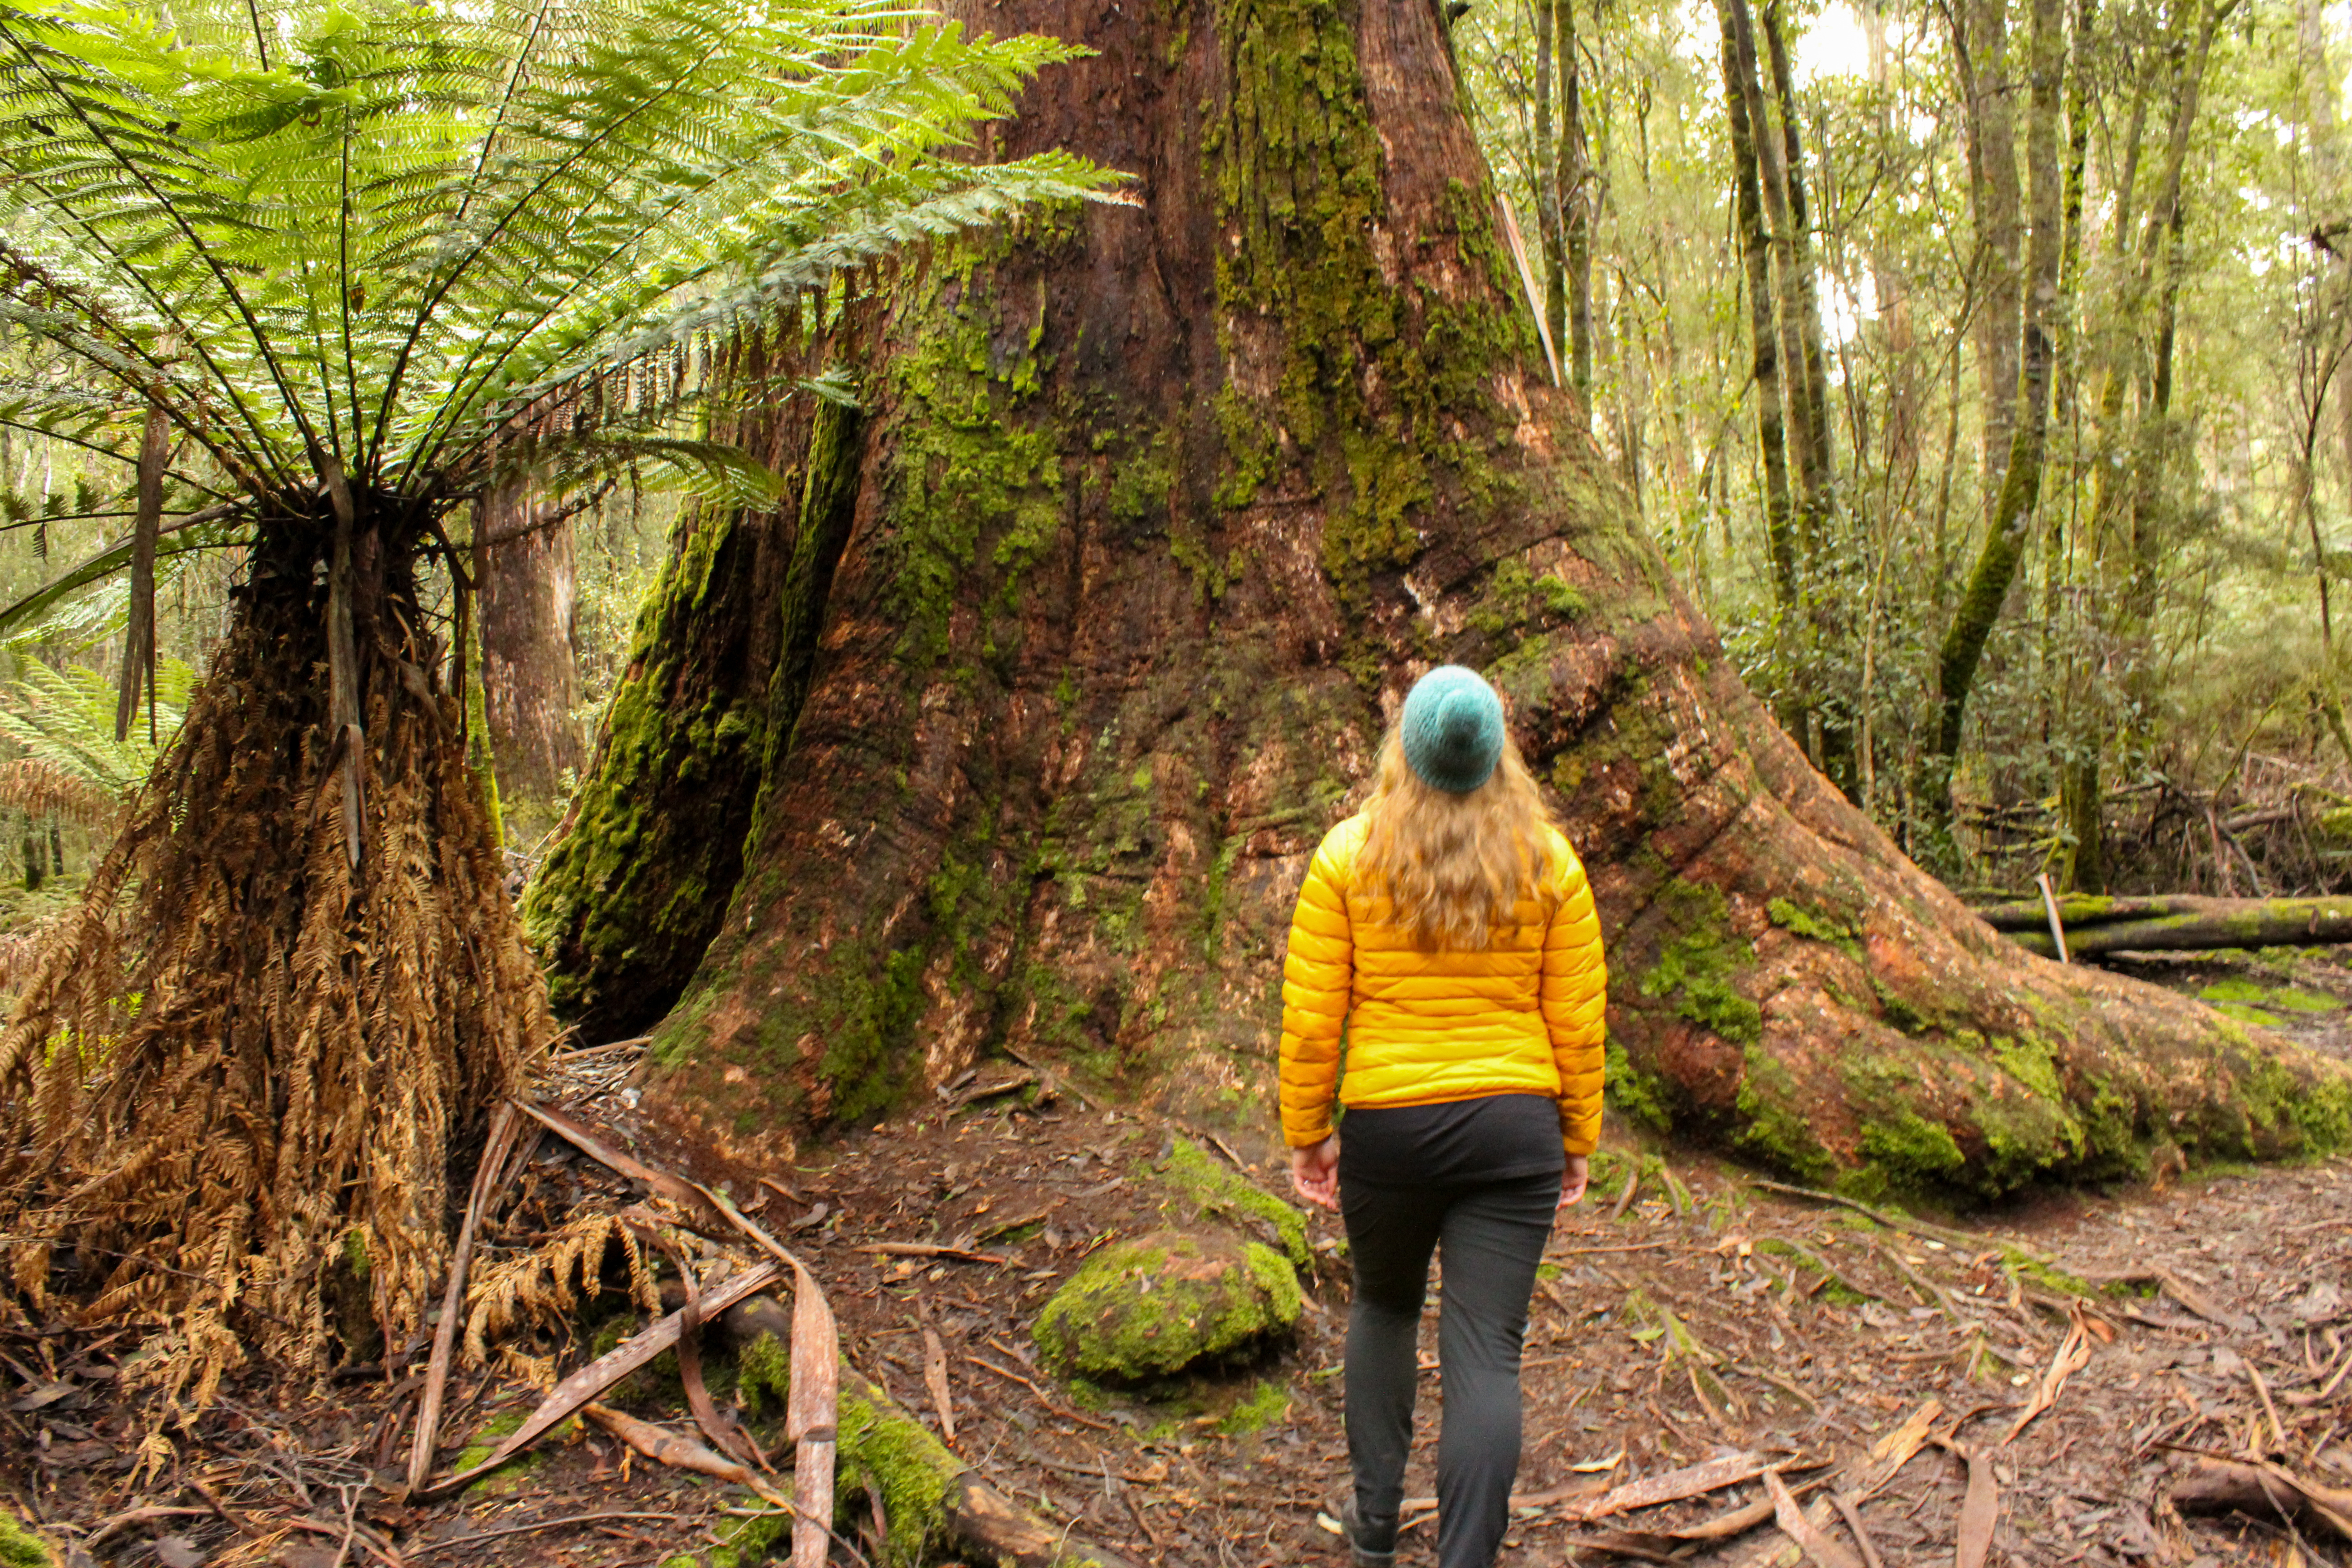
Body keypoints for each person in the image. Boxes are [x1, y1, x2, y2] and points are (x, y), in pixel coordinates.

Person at [1279, 664, 1607, 1568]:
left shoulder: (1348, 854)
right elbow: (1575, 1020)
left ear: (1406, 753)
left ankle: (1373, 1530)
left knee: (1383, 1310)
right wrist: (1576, 1135)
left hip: (1391, 1129)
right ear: (1497, 758)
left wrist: (1308, 1131)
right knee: (1488, 1356)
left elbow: (1315, 1016)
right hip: (1515, 1133)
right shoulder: (1550, 861)